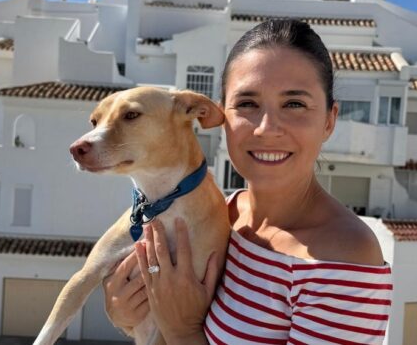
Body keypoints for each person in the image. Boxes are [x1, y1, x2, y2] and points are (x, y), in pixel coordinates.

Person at [103, 19, 393, 344]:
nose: (267, 128)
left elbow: (178, 327)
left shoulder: (344, 257)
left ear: (329, 120)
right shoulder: (218, 214)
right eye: (247, 104)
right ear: (220, 116)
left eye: (294, 104)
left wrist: (181, 330)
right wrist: (127, 315)